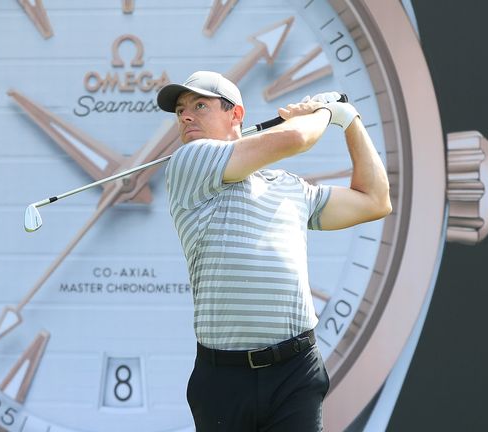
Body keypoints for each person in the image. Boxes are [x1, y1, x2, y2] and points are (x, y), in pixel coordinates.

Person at [156, 71, 391, 431]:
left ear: (236, 115)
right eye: (180, 111)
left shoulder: (290, 187)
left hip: (295, 372)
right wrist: (324, 112)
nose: (186, 116)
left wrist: (350, 120)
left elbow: (374, 200)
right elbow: (297, 136)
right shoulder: (189, 163)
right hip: (223, 379)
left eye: (199, 105)